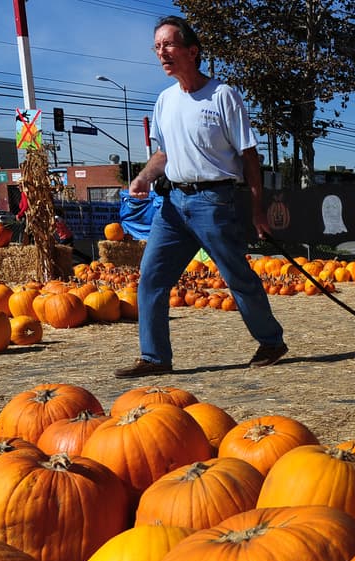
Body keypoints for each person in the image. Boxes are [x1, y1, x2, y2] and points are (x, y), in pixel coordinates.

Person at [113, 15, 287, 378]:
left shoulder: (223, 95)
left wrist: (258, 210)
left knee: (237, 276)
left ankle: (271, 341)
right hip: (172, 206)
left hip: (214, 202)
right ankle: (154, 358)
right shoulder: (164, 101)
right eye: (157, 47)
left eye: (168, 44)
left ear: (192, 51)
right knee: (151, 278)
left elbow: (249, 156)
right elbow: (164, 154)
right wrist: (144, 176)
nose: (161, 53)